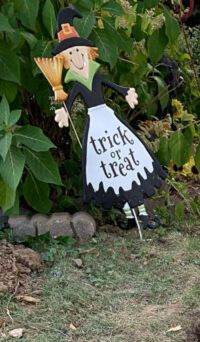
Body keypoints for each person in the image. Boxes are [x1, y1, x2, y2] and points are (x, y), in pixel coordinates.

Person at [50, 7, 165, 229]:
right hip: (96, 127)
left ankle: (142, 215)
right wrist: (64, 112)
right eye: (70, 55)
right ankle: (130, 217)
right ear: (65, 61)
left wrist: (126, 93)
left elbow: (114, 86)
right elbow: (69, 101)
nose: (76, 57)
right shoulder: (77, 84)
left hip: (109, 121)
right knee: (111, 172)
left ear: (87, 52)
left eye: (78, 51)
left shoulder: (96, 76)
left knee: (130, 165)